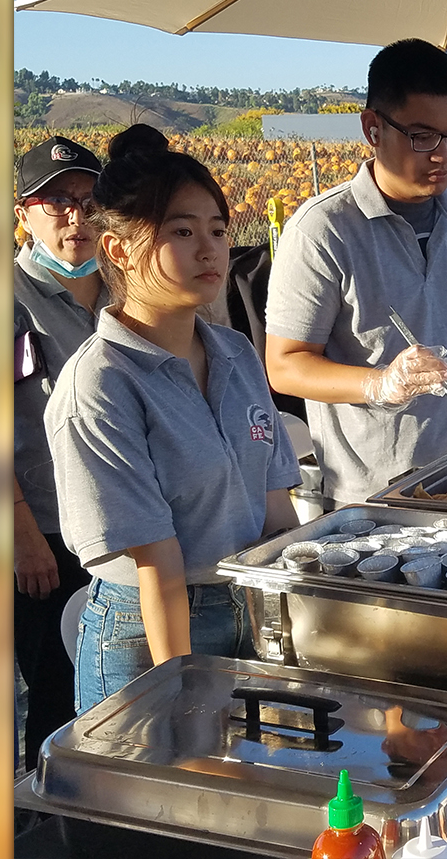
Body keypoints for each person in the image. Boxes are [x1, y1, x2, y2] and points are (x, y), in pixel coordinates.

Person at [46, 124, 304, 713]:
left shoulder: (235, 353)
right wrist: (181, 692)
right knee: (166, 794)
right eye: (182, 232)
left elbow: (276, 511)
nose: (209, 249)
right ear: (118, 250)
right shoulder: (103, 382)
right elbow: (156, 564)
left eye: (217, 229)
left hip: (245, 607)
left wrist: (299, 629)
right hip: (148, 632)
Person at [264, 39, 447, 503]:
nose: (444, 157)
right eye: (423, 136)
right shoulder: (324, 230)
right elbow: (285, 365)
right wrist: (380, 383)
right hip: (372, 490)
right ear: (373, 128)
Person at [12, 135, 104, 763]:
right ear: (23, 213)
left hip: (120, 523)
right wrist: (22, 533)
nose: (76, 218)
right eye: (57, 204)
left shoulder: (123, 291)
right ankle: (50, 818)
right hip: (44, 529)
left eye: (88, 202)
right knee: (54, 690)